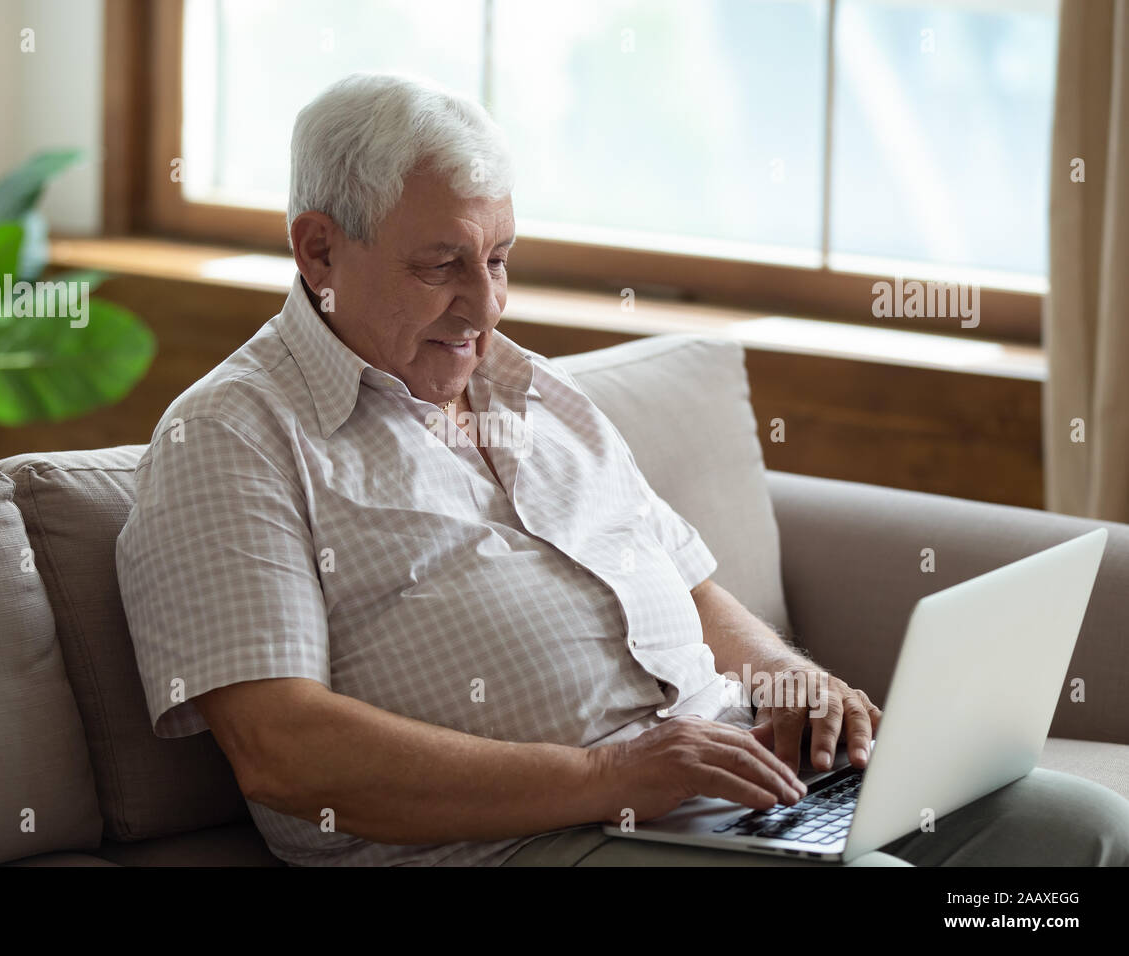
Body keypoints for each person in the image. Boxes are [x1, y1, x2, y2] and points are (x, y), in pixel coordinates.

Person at [115, 72, 1129, 867]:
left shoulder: (536, 391)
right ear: (319, 252)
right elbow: (285, 751)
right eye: (442, 264)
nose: (487, 304)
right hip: (525, 842)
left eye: (499, 259)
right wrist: (610, 774)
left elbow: (691, 587)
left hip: (719, 797)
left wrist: (790, 677)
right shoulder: (233, 438)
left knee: (1079, 832)